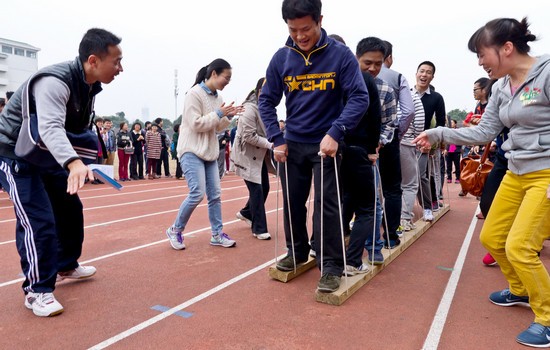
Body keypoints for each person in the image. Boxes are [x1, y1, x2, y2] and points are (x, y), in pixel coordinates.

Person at [414, 17, 550, 348]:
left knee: (520, 246)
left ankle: (546, 318)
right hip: (516, 172)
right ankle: (519, 289)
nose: (479, 62)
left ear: (506, 48)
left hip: (545, 173)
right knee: (491, 237)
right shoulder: (501, 87)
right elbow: (484, 132)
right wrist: (440, 132)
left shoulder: (546, 73)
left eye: (481, 53)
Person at [0, 28, 123, 317]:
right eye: (116, 61)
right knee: (38, 220)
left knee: (70, 207)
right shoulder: (55, 81)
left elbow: (76, 131)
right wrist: (72, 163)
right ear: (93, 60)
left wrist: (89, 162)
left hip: (42, 152)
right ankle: (37, 291)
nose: (120, 68)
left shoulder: (88, 86)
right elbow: (50, 127)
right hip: (14, 152)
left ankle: (66, 264)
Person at [259, 0, 369, 293]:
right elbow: (266, 100)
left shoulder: (340, 55)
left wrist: (336, 131)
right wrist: (276, 138)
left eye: (306, 28)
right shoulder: (282, 58)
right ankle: (296, 252)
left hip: (327, 146)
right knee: (293, 203)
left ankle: (331, 266)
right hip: (292, 144)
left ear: (320, 20)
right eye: (293, 30)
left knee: (327, 207)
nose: (300, 35)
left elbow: (359, 97)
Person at [165, 58, 243, 250]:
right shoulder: (194, 94)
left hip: (209, 150)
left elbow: (217, 127)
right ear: (214, 73)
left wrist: (228, 116)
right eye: (226, 77)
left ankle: (217, 234)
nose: (228, 82)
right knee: (197, 192)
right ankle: (175, 229)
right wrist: (219, 113)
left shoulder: (218, 98)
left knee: (215, 195)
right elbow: (196, 124)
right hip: (191, 149)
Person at [355, 36, 400, 250]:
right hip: (344, 151)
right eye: (367, 63)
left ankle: (374, 245)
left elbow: (391, 123)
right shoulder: (344, 85)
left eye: (378, 64)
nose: (373, 68)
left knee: (373, 202)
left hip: (370, 154)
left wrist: (377, 143)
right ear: (357, 58)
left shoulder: (386, 90)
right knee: (340, 200)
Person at [232, 77, 276, 240]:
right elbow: (248, 136)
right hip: (246, 155)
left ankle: (246, 213)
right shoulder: (249, 109)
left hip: (259, 156)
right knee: (257, 190)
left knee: (264, 188)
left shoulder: (267, 108)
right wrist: (271, 144)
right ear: (259, 92)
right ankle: (259, 228)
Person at [413, 61, 446, 221]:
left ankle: (427, 207)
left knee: (421, 175)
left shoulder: (436, 98)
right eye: (422, 71)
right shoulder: (406, 93)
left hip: (422, 144)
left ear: (432, 77)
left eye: (428, 72)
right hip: (404, 142)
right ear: (416, 73)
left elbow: (440, 124)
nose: (424, 75)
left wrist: (430, 144)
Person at [444, 119, 462, 184]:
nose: (451, 123)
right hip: (449, 151)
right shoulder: (447, 131)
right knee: (448, 165)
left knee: (457, 165)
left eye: (452, 122)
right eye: (450, 122)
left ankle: (458, 178)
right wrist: (445, 149)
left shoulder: (458, 131)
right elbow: (445, 141)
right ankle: (449, 178)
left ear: (455, 124)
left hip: (456, 150)